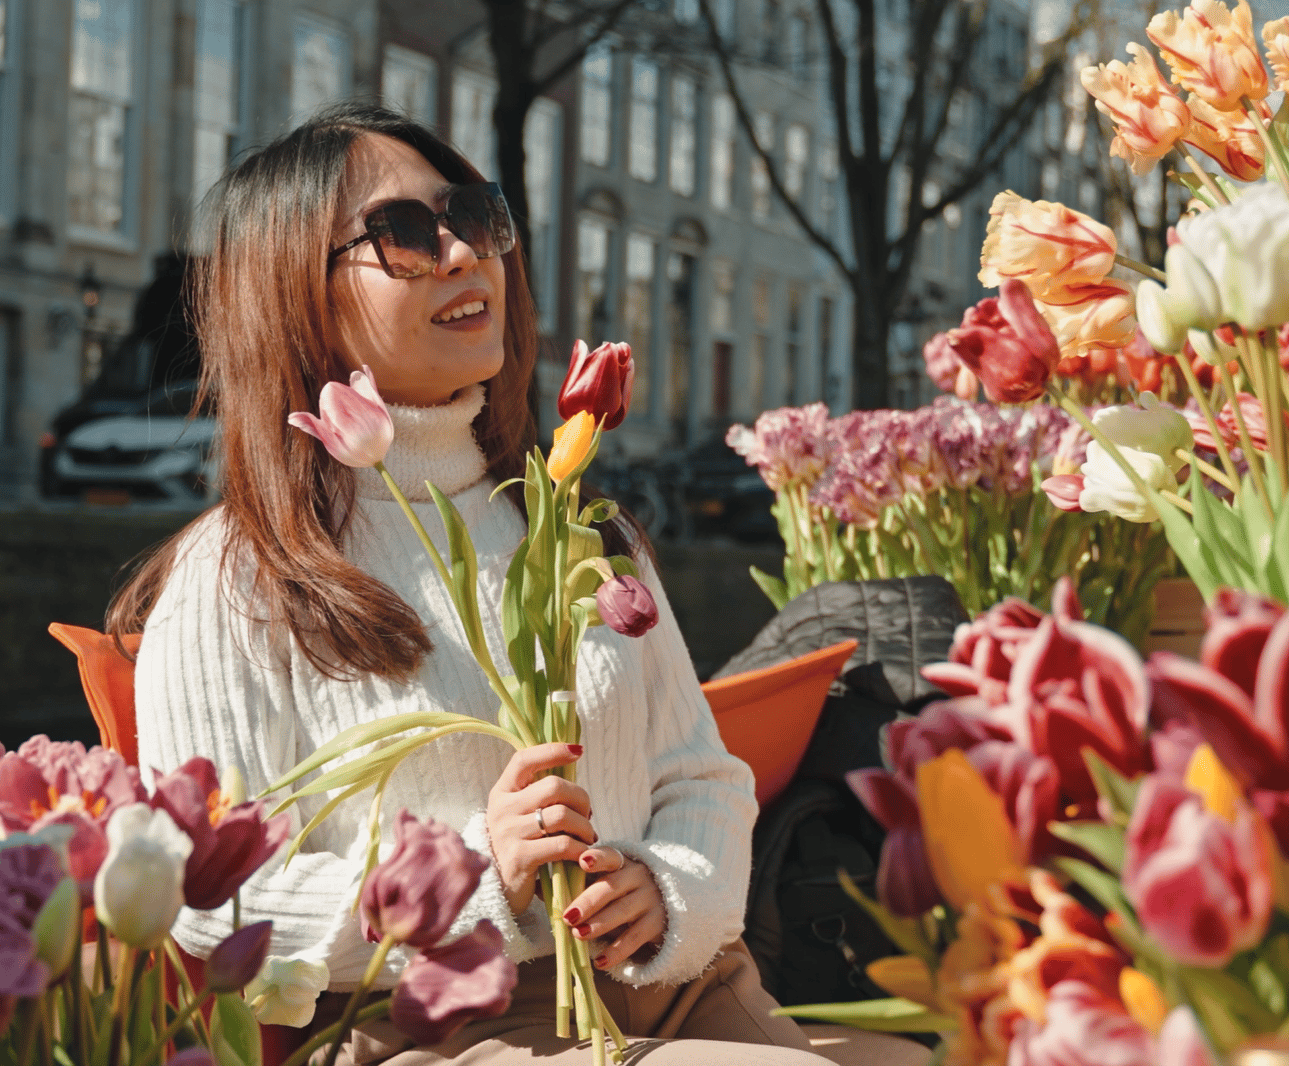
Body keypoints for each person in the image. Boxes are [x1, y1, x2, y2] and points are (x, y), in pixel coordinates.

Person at [117, 103, 923, 1066]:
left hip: (675, 985)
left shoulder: (578, 523)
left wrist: (664, 887)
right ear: (296, 294)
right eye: (404, 235)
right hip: (441, 1024)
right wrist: (471, 875)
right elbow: (212, 898)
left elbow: (702, 777)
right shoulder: (237, 580)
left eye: (473, 214)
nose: (462, 252)